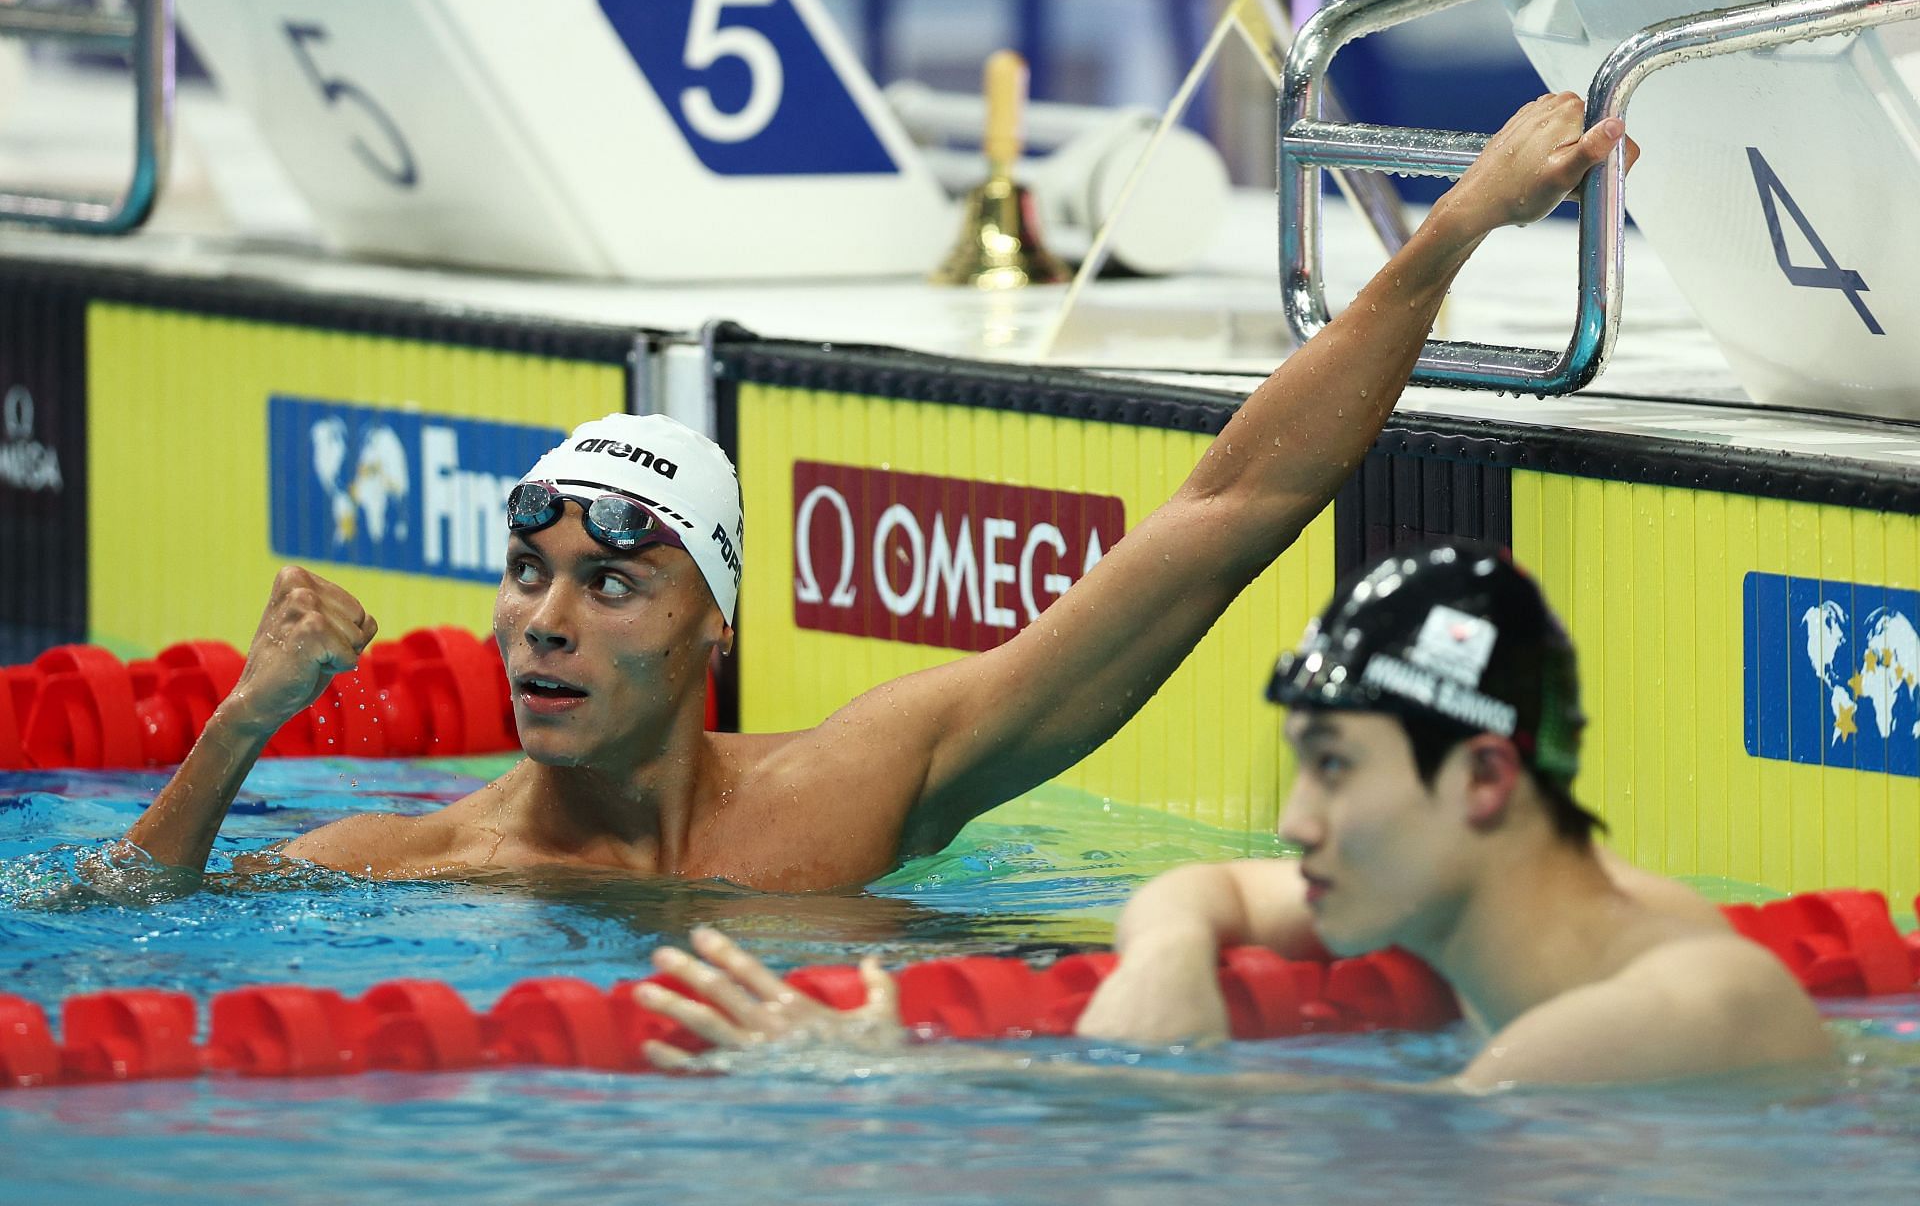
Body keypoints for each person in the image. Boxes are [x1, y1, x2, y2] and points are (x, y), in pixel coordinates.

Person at [120, 95, 1639, 893]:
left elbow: (1222, 514)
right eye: (531, 578)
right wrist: (241, 725)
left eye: (611, 582)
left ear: (712, 629)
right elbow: (115, 926)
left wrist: (1444, 239)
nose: (548, 624)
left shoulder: (859, 784)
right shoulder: (417, 867)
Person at [631, 545, 1832, 1090]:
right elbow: (1204, 887)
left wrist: (900, 1064)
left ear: (1481, 781)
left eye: (1333, 769)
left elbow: (1388, 1137)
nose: (1293, 822)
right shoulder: (1488, 895)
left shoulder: (1661, 1008)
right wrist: (1164, 950)